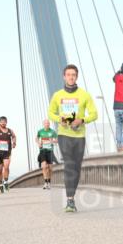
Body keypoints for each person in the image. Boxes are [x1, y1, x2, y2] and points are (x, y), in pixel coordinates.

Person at [48, 65, 98, 213]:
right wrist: (59, 119)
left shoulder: (85, 95)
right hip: (64, 134)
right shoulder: (57, 95)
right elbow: (51, 113)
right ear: (64, 77)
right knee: (69, 165)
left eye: (73, 75)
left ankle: (72, 196)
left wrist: (81, 120)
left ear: (77, 77)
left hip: (79, 136)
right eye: (68, 75)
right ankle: (70, 200)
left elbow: (94, 114)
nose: (71, 77)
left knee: (76, 168)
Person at [0, 117, 17, 193]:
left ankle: (6, 182)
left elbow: (14, 136)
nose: (3, 123)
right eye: (1, 122)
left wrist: (14, 142)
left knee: (7, 166)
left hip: (7, 152)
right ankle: (0, 183)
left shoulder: (10, 131)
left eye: (4, 122)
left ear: (6, 122)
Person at [35, 119, 57, 189]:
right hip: (43, 150)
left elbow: (57, 140)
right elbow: (36, 138)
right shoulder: (40, 131)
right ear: (43, 124)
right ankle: (45, 183)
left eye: (48, 123)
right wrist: (39, 143)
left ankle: (49, 182)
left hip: (50, 151)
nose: (47, 124)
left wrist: (52, 140)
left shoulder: (53, 132)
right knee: (44, 167)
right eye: (46, 123)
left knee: (50, 168)